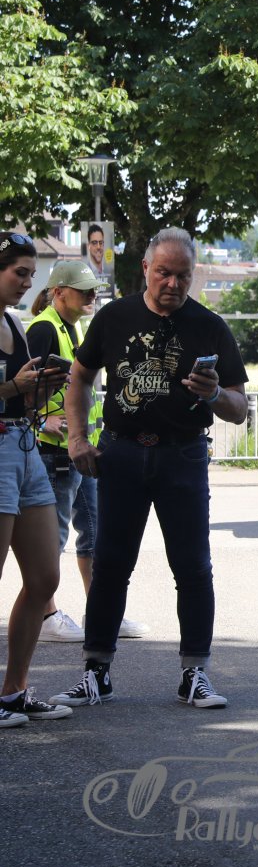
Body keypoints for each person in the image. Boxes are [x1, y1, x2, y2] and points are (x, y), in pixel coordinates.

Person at [49, 228, 249, 712]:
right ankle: (96, 672)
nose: (172, 284)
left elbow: (240, 408)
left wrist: (213, 394)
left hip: (183, 455)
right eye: (163, 273)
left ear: (192, 275)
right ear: (145, 269)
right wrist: (77, 438)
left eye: (182, 275)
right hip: (120, 454)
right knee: (110, 564)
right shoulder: (114, 317)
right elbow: (80, 377)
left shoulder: (210, 325)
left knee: (193, 567)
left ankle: (195, 674)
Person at [26, 260, 148, 644]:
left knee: (95, 534)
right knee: (53, 538)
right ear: (59, 292)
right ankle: (47, 615)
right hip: (55, 454)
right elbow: (22, 386)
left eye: (93, 288)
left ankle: (102, 611)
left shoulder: (72, 326)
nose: (92, 295)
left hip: (81, 451)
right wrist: (40, 422)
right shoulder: (44, 328)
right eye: (83, 289)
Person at [0, 233, 74, 726]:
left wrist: (41, 390)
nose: (29, 283)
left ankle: (14, 693)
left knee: (45, 577)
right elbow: (10, 390)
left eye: (31, 274)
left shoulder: (14, 323)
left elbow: (23, 401)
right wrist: (14, 385)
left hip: (25, 447)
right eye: (19, 273)